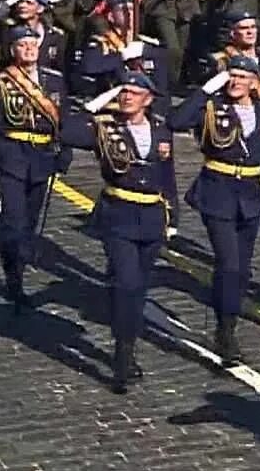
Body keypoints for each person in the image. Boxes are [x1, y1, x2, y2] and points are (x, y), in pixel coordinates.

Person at [63, 73, 176, 393]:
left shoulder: (159, 128)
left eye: (134, 92)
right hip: (118, 214)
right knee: (127, 283)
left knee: (137, 287)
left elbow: (167, 176)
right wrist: (100, 99)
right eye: (123, 92)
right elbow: (68, 131)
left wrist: (173, 216)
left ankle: (126, 340)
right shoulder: (103, 126)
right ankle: (123, 355)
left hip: (152, 215)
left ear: (148, 99)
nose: (127, 97)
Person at [169, 54, 260, 365]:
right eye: (231, 76)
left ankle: (227, 314)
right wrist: (206, 90)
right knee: (229, 262)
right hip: (216, 192)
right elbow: (176, 121)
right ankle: (226, 331)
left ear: (254, 82)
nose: (235, 82)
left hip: (249, 194)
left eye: (242, 77)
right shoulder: (210, 107)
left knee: (241, 268)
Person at [0, 24, 68, 313]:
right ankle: (13, 277)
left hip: (42, 157)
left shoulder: (54, 81)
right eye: (22, 45)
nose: (28, 49)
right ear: (13, 50)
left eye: (32, 44)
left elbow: (63, 120)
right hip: (11, 156)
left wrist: (64, 152)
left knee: (29, 220)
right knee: (13, 221)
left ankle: (19, 257)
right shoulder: (1, 82)